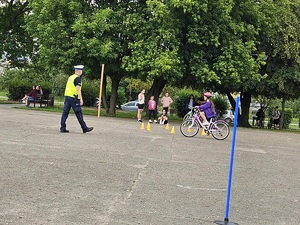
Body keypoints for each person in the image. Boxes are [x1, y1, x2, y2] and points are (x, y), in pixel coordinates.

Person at [60, 65, 93, 133]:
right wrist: (81, 98)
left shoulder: (70, 77)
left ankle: (62, 127)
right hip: (74, 98)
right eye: (81, 71)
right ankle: (84, 128)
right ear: (79, 71)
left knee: (65, 113)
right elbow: (78, 89)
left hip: (67, 97)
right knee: (78, 113)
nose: (82, 72)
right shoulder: (77, 78)